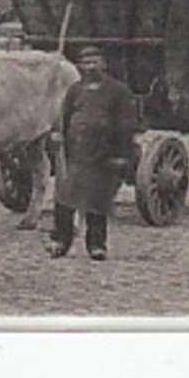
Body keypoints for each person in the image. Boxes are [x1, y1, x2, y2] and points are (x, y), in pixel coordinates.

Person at [48, 46, 139, 261]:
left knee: (97, 201)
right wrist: (58, 134)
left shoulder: (118, 91)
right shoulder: (75, 90)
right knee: (65, 198)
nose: (91, 67)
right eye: (86, 63)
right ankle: (61, 241)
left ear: (104, 64)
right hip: (76, 154)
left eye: (95, 62)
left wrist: (122, 154)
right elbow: (64, 116)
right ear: (80, 66)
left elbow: (126, 125)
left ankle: (96, 245)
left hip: (103, 154)